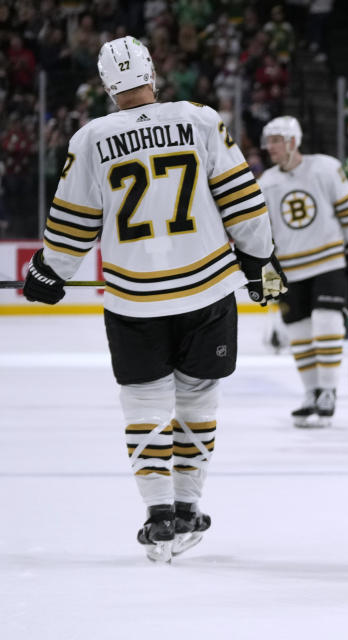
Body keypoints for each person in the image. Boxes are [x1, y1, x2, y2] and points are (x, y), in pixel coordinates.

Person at [22, 36, 285, 562]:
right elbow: (241, 198)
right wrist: (259, 262)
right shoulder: (200, 119)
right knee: (198, 399)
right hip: (206, 287)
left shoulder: (91, 137)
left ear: (105, 85)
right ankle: (188, 507)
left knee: (144, 405)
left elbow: (74, 221)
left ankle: (159, 515)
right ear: (152, 72)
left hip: (133, 297)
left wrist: (49, 272)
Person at [259, 116, 348, 427]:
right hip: (291, 268)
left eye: (276, 140)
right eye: (269, 141)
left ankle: (329, 392)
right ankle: (311, 392)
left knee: (326, 323)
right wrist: (266, 272)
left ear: (293, 141)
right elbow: (262, 234)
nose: (270, 147)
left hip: (329, 261)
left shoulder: (325, 168)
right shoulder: (266, 182)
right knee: (299, 334)